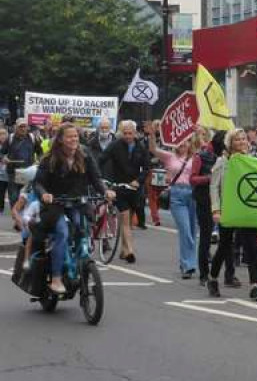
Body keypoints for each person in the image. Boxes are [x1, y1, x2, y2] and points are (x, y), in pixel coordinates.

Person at [33, 123, 115, 294]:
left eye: (76, 136)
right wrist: (44, 195)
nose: (73, 139)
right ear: (61, 139)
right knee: (62, 232)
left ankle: (79, 263)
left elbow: (95, 178)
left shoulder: (84, 154)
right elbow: (38, 182)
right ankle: (56, 278)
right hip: (55, 205)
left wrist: (105, 191)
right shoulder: (50, 159)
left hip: (78, 202)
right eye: (69, 136)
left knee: (81, 227)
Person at [208, 128, 257, 301]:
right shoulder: (222, 162)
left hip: (247, 210)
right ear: (230, 143)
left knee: (251, 248)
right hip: (228, 209)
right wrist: (216, 210)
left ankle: (255, 285)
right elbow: (214, 187)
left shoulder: (252, 161)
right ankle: (213, 278)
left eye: (244, 139)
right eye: (237, 140)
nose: (242, 142)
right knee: (225, 246)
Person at [146, 123, 198, 278]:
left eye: (186, 141)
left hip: (193, 194)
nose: (183, 144)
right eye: (180, 141)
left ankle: (186, 263)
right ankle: (189, 265)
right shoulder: (170, 156)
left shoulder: (196, 157)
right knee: (185, 231)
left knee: (193, 231)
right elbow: (153, 150)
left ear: (190, 143)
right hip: (177, 195)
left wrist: (198, 132)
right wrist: (152, 135)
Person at [103, 120, 149, 263]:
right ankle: (130, 250)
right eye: (125, 133)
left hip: (134, 189)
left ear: (135, 133)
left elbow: (147, 168)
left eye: (130, 133)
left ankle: (123, 250)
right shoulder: (115, 146)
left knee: (128, 222)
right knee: (124, 217)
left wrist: (139, 180)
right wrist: (101, 178)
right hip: (119, 187)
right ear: (121, 133)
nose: (128, 136)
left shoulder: (141, 147)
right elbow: (101, 159)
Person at [193, 130, 231, 286]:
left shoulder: (229, 158)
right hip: (205, 200)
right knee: (206, 237)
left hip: (226, 200)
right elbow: (192, 178)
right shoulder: (201, 156)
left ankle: (230, 275)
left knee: (228, 239)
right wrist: (209, 179)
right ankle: (204, 274)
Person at [3, 119, 43, 214]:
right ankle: (16, 215)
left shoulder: (32, 138)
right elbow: (2, 153)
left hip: (28, 172)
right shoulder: (10, 138)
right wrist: (4, 158)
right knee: (13, 196)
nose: (23, 128)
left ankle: (22, 214)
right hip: (13, 172)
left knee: (26, 195)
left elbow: (40, 152)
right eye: (21, 126)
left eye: (24, 126)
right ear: (16, 127)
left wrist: (39, 161)